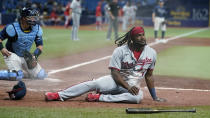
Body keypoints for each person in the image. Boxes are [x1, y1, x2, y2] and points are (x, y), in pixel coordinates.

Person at [45, 26, 166, 104]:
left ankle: (99, 97)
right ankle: (59, 95)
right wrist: (127, 87)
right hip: (115, 81)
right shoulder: (120, 51)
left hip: (132, 86)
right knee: (95, 83)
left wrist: (155, 97)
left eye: (143, 34)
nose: (142, 37)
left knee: (137, 98)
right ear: (132, 38)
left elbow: (149, 76)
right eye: (139, 35)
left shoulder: (151, 53)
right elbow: (115, 73)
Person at [0, 7, 47, 81]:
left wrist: (35, 56)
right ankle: (14, 73)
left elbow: (40, 46)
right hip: (11, 54)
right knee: (15, 76)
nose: (33, 19)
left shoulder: (37, 29)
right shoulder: (12, 28)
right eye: (30, 17)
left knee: (41, 75)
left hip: (26, 55)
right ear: (23, 18)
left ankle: (23, 73)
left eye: (34, 17)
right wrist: (2, 48)